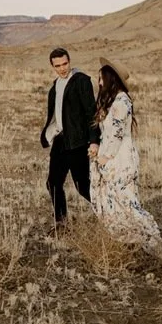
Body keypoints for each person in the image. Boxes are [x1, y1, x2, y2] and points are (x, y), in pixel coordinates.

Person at [89, 57, 162, 253]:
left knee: (127, 202)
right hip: (111, 157)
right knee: (114, 201)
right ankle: (130, 242)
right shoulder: (114, 101)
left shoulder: (122, 101)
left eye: (101, 78)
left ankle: (153, 241)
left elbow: (117, 132)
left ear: (110, 79)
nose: (99, 83)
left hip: (119, 159)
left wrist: (105, 158)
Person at [39, 47, 99, 224]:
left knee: (83, 187)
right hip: (61, 140)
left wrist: (94, 141)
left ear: (69, 61)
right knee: (53, 183)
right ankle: (61, 223)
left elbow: (91, 113)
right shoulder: (54, 87)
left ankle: (111, 215)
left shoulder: (81, 81)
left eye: (65, 63)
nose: (62, 68)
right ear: (53, 66)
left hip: (78, 141)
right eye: (57, 65)